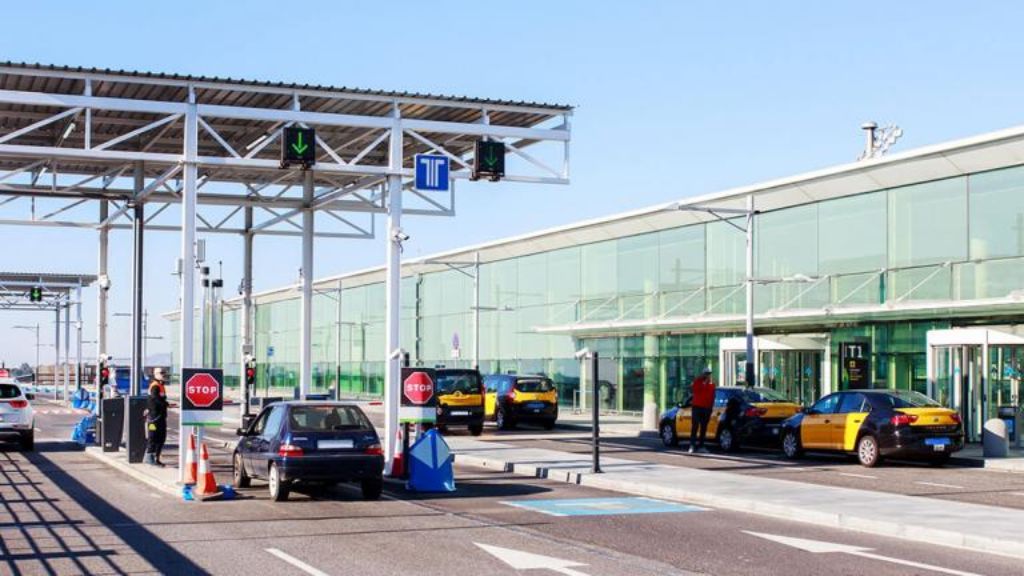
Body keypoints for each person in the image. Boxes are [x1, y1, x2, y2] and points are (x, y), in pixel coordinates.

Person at [144, 367, 169, 467]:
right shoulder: (155, 386)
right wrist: (166, 404)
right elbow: (156, 399)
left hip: (160, 416)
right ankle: (149, 458)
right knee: (153, 437)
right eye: (161, 373)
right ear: (155, 374)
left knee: (161, 438)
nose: (164, 374)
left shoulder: (160, 385)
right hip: (154, 418)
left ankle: (156, 458)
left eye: (164, 373)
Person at [689, 366, 716, 454]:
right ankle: (692, 445)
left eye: (708, 374)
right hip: (697, 407)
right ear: (702, 374)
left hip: (706, 408)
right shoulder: (697, 382)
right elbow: (695, 390)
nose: (707, 376)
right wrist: (703, 383)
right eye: (706, 374)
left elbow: (712, 396)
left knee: (703, 427)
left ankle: (701, 445)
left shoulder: (711, 384)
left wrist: (710, 408)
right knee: (695, 426)